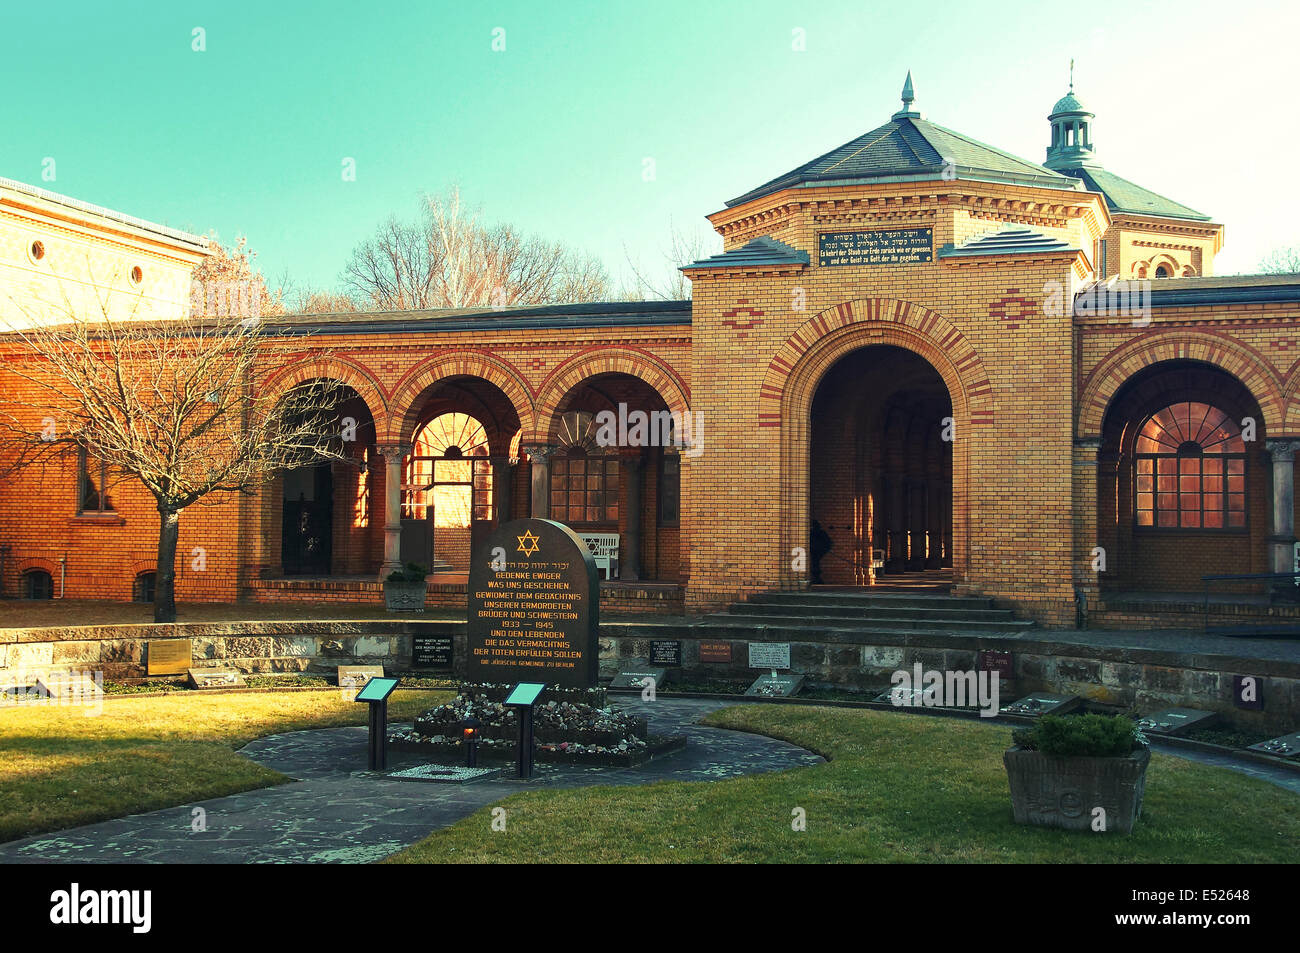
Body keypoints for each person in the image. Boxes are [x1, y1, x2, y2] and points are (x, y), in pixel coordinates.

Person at [810, 519, 832, 585]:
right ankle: (816, 578)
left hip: (816, 551)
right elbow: (829, 542)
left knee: (815, 564)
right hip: (818, 551)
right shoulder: (821, 532)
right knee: (815, 564)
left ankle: (816, 578)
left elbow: (828, 542)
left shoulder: (813, 532)